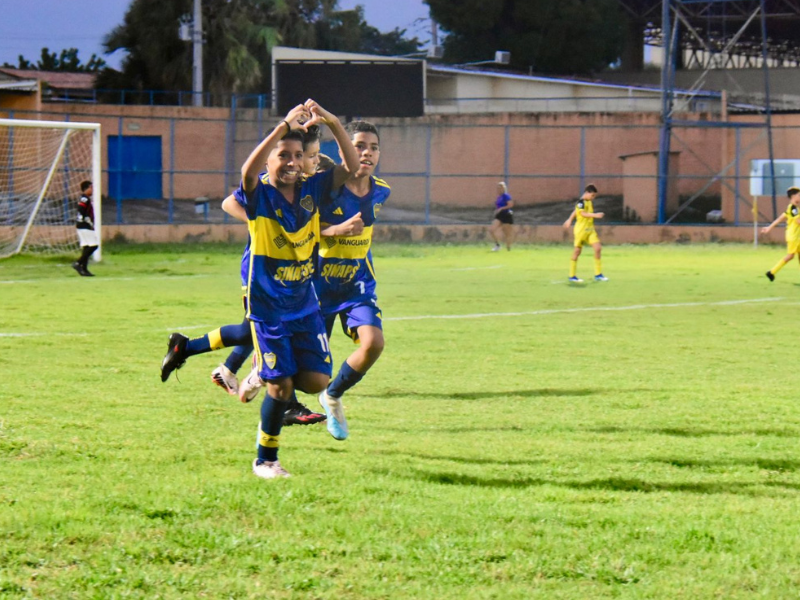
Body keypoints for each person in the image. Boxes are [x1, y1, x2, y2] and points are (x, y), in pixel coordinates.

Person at [224, 99, 359, 479]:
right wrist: (282, 127)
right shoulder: (259, 195)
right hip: (269, 307)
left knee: (317, 380)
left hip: (303, 304)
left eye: (298, 156)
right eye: (282, 155)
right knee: (282, 387)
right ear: (270, 160)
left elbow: (349, 167)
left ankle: (264, 371)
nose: (291, 162)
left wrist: (332, 120)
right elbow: (247, 172)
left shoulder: (312, 190)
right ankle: (266, 459)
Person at [160, 127, 330, 427]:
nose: (311, 162)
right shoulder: (270, 184)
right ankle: (281, 398)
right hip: (262, 272)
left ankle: (197, 352)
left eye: (313, 156)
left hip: (293, 275)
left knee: (248, 330)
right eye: (311, 156)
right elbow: (229, 202)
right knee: (263, 329)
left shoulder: (304, 187)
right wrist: (262, 223)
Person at [314, 120, 390, 441]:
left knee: (373, 344)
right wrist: (335, 231)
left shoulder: (382, 190)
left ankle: (332, 396)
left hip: (357, 285)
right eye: (359, 145)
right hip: (317, 286)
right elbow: (300, 232)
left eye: (373, 147)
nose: (367, 153)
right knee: (309, 370)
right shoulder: (327, 189)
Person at [563, 184, 608, 283]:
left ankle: (598, 274)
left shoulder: (588, 202)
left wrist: (569, 219)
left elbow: (575, 212)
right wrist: (595, 215)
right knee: (577, 251)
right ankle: (572, 275)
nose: (593, 198)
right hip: (581, 231)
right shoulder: (581, 202)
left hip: (590, 230)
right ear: (587, 193)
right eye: (592, 196)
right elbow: (582, 213)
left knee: (598, 248)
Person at [762, 186, 800, 281]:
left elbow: (780, 218)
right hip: (793, 236)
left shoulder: (793, 208)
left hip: (796, 236)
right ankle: (772, 272)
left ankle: (772, 272)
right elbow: (798, 221)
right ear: (793, 196)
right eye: (799, 195)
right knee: (790, 256)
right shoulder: (793, 208)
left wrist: (769, 228)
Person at [73, 180, 98, 276]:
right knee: (94, 246)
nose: (92, 190)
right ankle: (78, 263)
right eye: (91, 188)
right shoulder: (84, 199)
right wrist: (86, 219)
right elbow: (81, 210)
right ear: (86, 188)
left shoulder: (84, 198)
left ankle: (84, 269)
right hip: (85, 225)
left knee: (86, 247)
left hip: (81, 225)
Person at [489, 181, 514, 251]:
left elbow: (510, 205)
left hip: (506, 215)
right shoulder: (499, 197)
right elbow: (498, 206)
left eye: (500, 188)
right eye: (498, 188)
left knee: (507, 233)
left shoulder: (506, 196)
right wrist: (496, 210)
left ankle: (508, 249)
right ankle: (497, 245)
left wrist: (501, 208)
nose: (498, 190)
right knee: (491, 230)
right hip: (500, 215)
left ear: (503, 188)